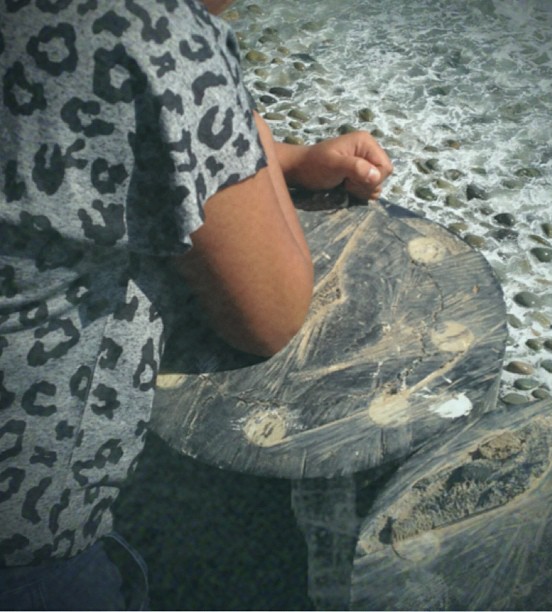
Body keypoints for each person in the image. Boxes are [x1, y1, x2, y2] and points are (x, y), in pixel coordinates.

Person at [0, 0, 392, 608]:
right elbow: (271, 313)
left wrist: (278, 158)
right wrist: (233, 118)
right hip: (29, 535)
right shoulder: (153, 28)